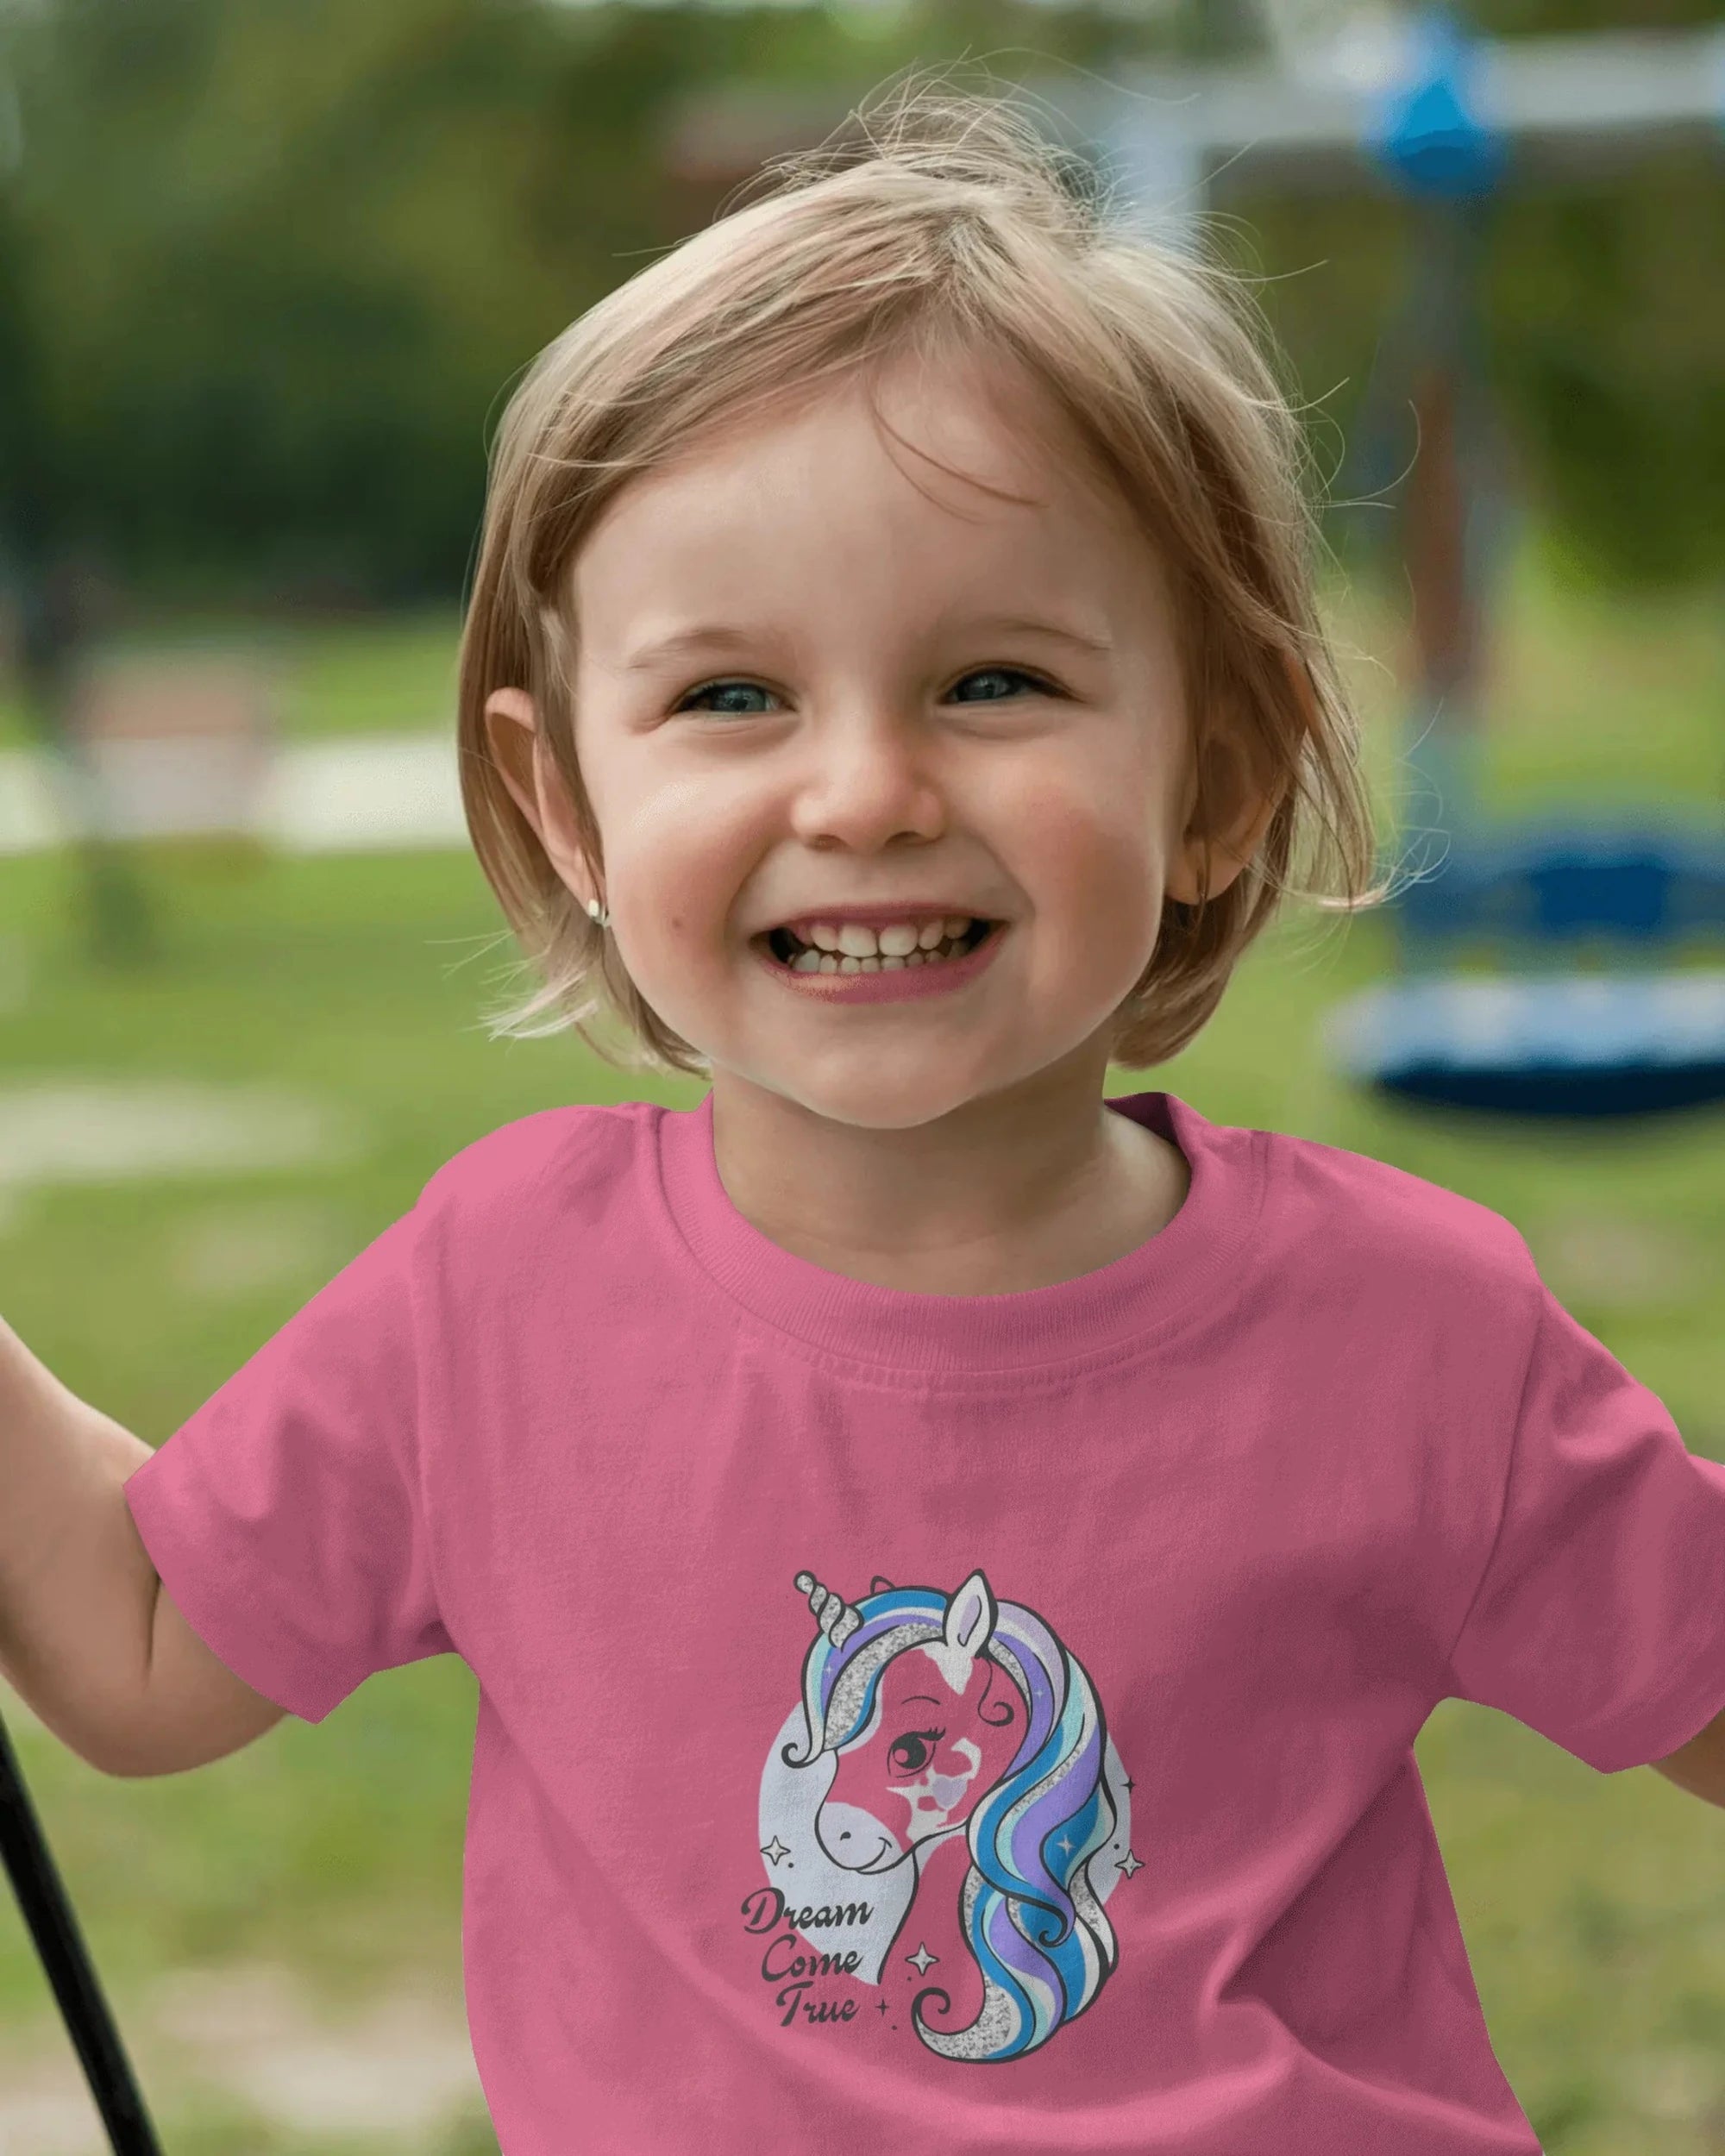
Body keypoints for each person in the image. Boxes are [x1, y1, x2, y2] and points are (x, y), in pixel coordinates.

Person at [3, 85, 1723, 2156]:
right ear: (567, 802)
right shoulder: (495, 1297)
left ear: (1220, 776)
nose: (864, 792)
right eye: (730, 697)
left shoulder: (1419, 1329)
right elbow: (142, 1642)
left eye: (993, 680)